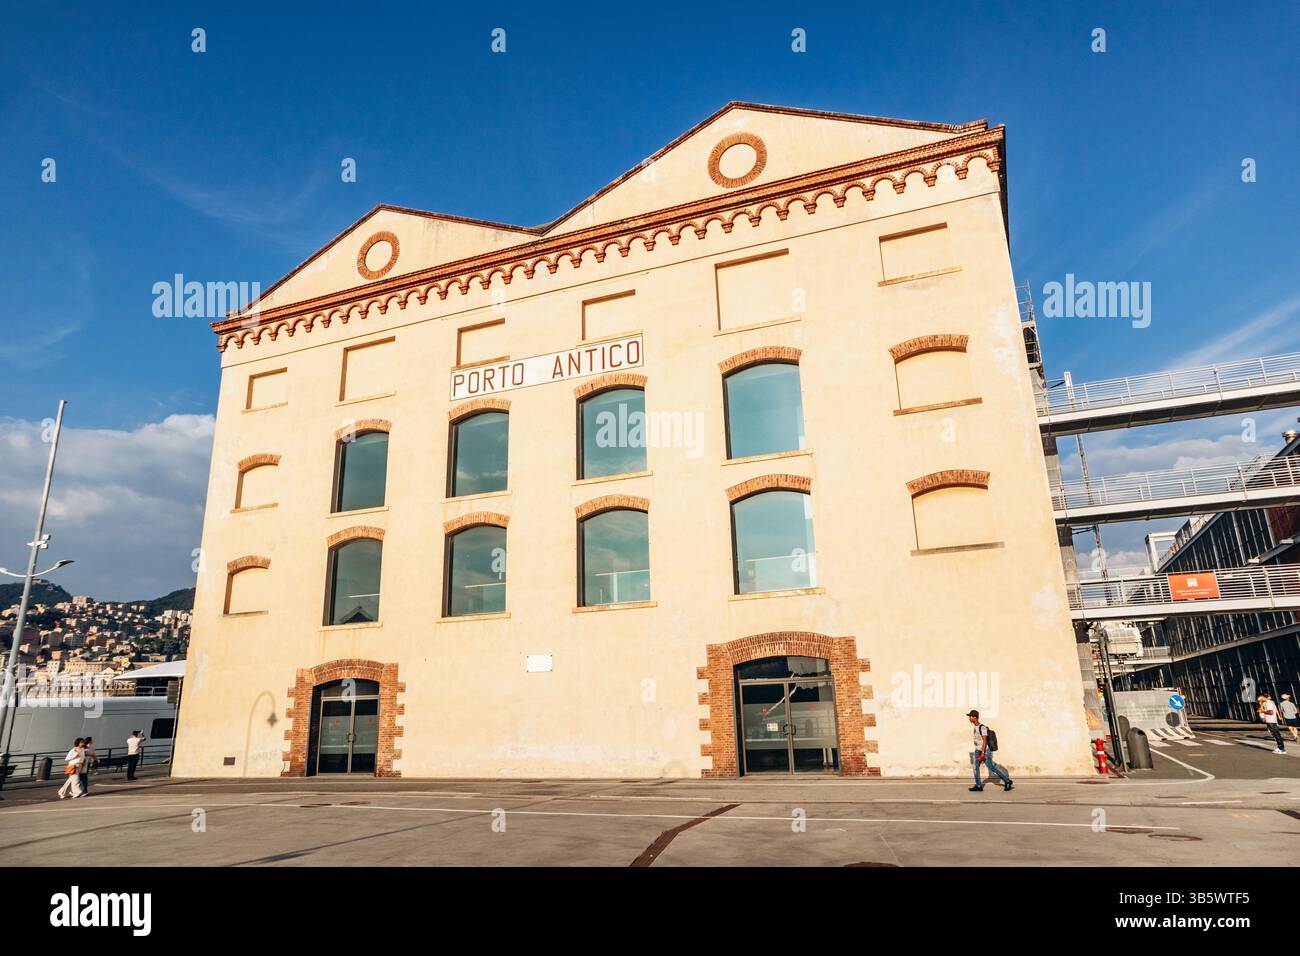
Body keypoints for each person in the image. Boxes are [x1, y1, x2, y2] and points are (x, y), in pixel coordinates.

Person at [967, 710, 1013, 792]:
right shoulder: (975, 727)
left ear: (975, 717)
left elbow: (984, 741)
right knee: (975, 767)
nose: (969, 718)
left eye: (970, 717)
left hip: (985, 751)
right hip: (977, 750)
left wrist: (983, 752)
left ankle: (1007, 781)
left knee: (992, 768)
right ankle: (978, 786)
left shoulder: (982, 727)